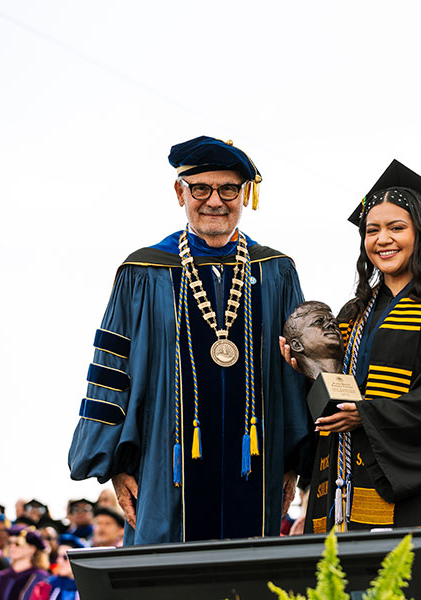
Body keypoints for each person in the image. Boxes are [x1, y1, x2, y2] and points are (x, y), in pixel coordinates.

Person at [68, 136, 311, 544]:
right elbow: (113, 369)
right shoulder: (144, 272)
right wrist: (117, 465)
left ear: (243, 194)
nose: (215, 201)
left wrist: (293, 461)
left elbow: (294, 374)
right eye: (201, 188)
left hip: (257, 464)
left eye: (228, 189)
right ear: (180, 191)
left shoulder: (276, 272)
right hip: (165, 469)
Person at [292, 159, 421, 534]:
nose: (382, 239)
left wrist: (368, 415)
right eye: (372, 230)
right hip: (342, 479)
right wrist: (307, 371)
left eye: (397, 228)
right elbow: (337, 390)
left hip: (417, 489)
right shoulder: (351, 313)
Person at [0, 527, 50, 600]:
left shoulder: (39, 578)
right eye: (9, 543)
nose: (12, 546)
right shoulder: (0, 576)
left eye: (18, 543)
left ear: (32, 549)